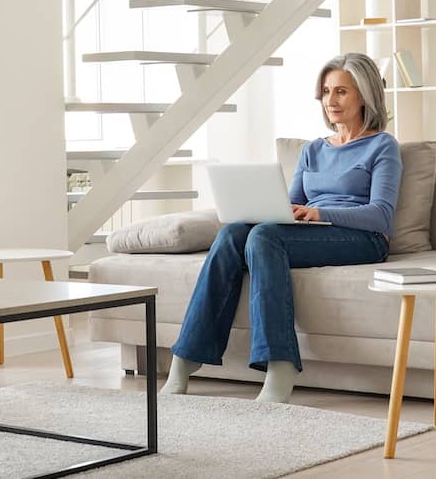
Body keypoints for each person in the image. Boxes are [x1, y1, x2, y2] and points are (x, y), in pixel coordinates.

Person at [163, 53, 403, 403]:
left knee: (265, 237)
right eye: (325, 92)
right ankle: (184, 361)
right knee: (233, 235)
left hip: (362, 238)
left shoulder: (382, 146)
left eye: (341, 92)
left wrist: (319, 213)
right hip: (314, 234)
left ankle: (280, 365)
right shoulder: (313, 150)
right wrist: (263, 210)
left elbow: (381, 216)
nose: (330, 101)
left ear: (364, 95)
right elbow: (288, 206)